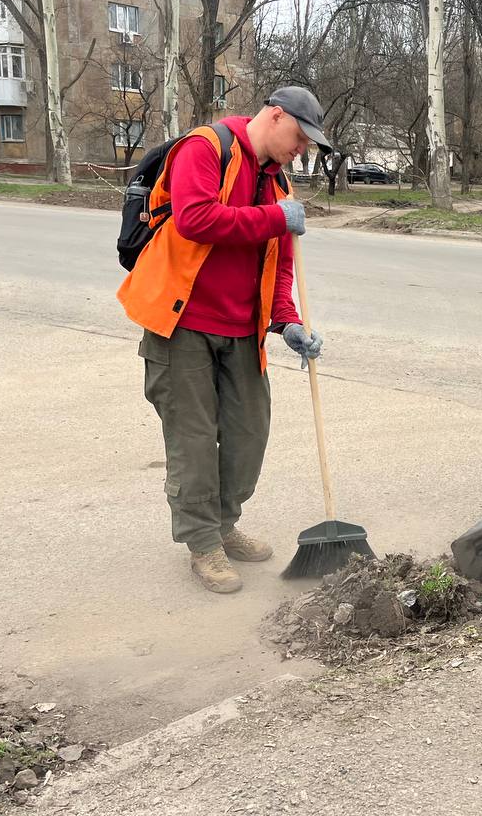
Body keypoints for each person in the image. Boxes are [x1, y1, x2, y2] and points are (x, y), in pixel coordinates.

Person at [118, 87, 329, 593]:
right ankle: (203, 543)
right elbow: (195, 219)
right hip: (182, 325)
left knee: (247, 436)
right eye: (299, 137)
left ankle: (225, 522)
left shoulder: (278, 186)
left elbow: (279, 267)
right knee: (192, 441)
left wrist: (287, 322)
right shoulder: (206, 147)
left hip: (243, 331)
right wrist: (276, 219)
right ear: (275, 116)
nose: (301, 150)